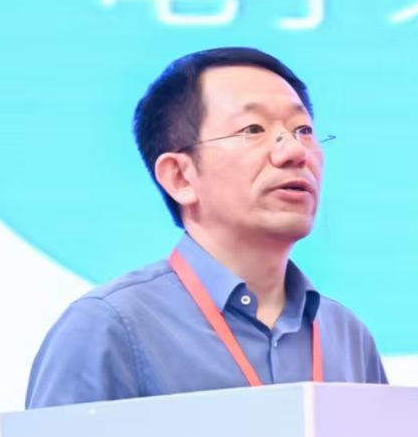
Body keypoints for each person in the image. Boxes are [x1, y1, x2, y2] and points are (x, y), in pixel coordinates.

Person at [25, 47, 388, 408]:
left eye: (303, 130)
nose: (295, 152)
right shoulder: (111, 327)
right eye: (253, 129)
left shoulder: (347, 336)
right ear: (180, 177)